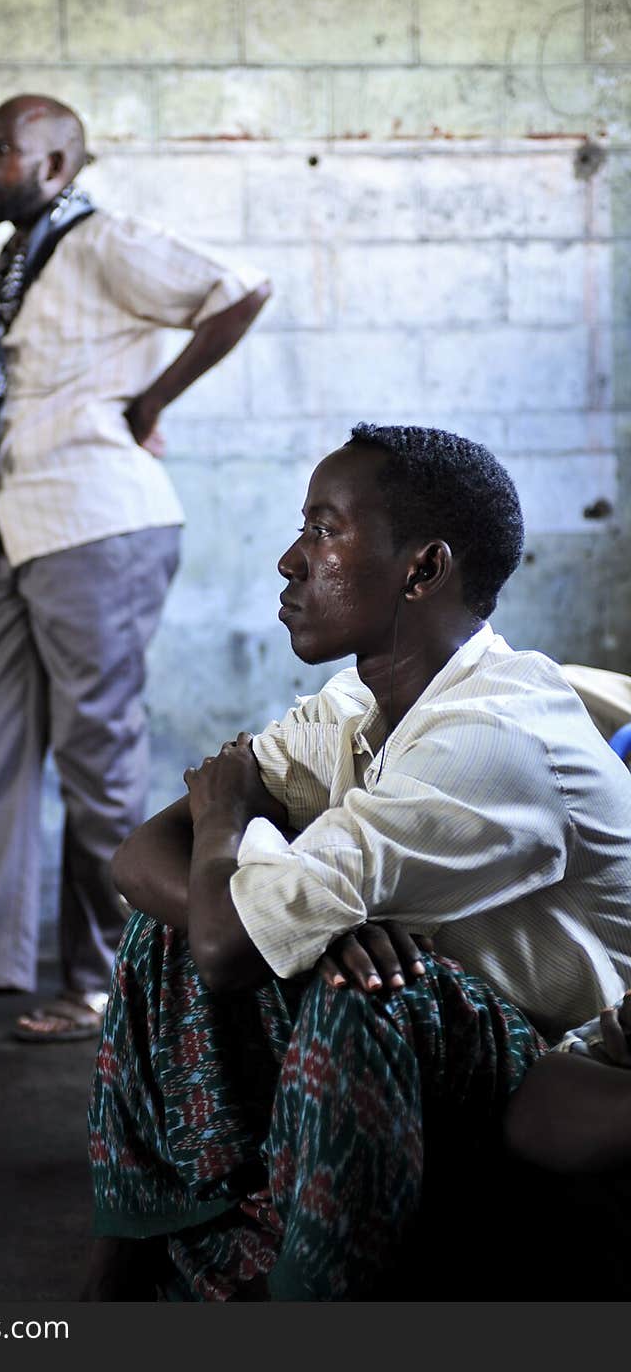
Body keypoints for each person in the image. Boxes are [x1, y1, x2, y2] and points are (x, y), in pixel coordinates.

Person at [80, 422, 631, 1300]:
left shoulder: (494, 741)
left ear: (422, 568)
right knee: (181, 929)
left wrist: (233, 830)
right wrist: (317, 926)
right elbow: (140, 854)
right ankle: (132, 1269)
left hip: (551, 1057)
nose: (290, 561)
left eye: (324, 530)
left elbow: (228, 931)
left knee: (362, 987)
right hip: (440, 1016)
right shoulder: (354, 703)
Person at [0, 94, 271, 1055]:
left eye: (4, 150)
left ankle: (110, 980)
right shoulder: (22, 268)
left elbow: (240, 288)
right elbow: (21, 333)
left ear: (60, 167)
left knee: (95, 763)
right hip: (9, 533)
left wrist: (151, 397)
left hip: (95, 526)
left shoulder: (102, 240)